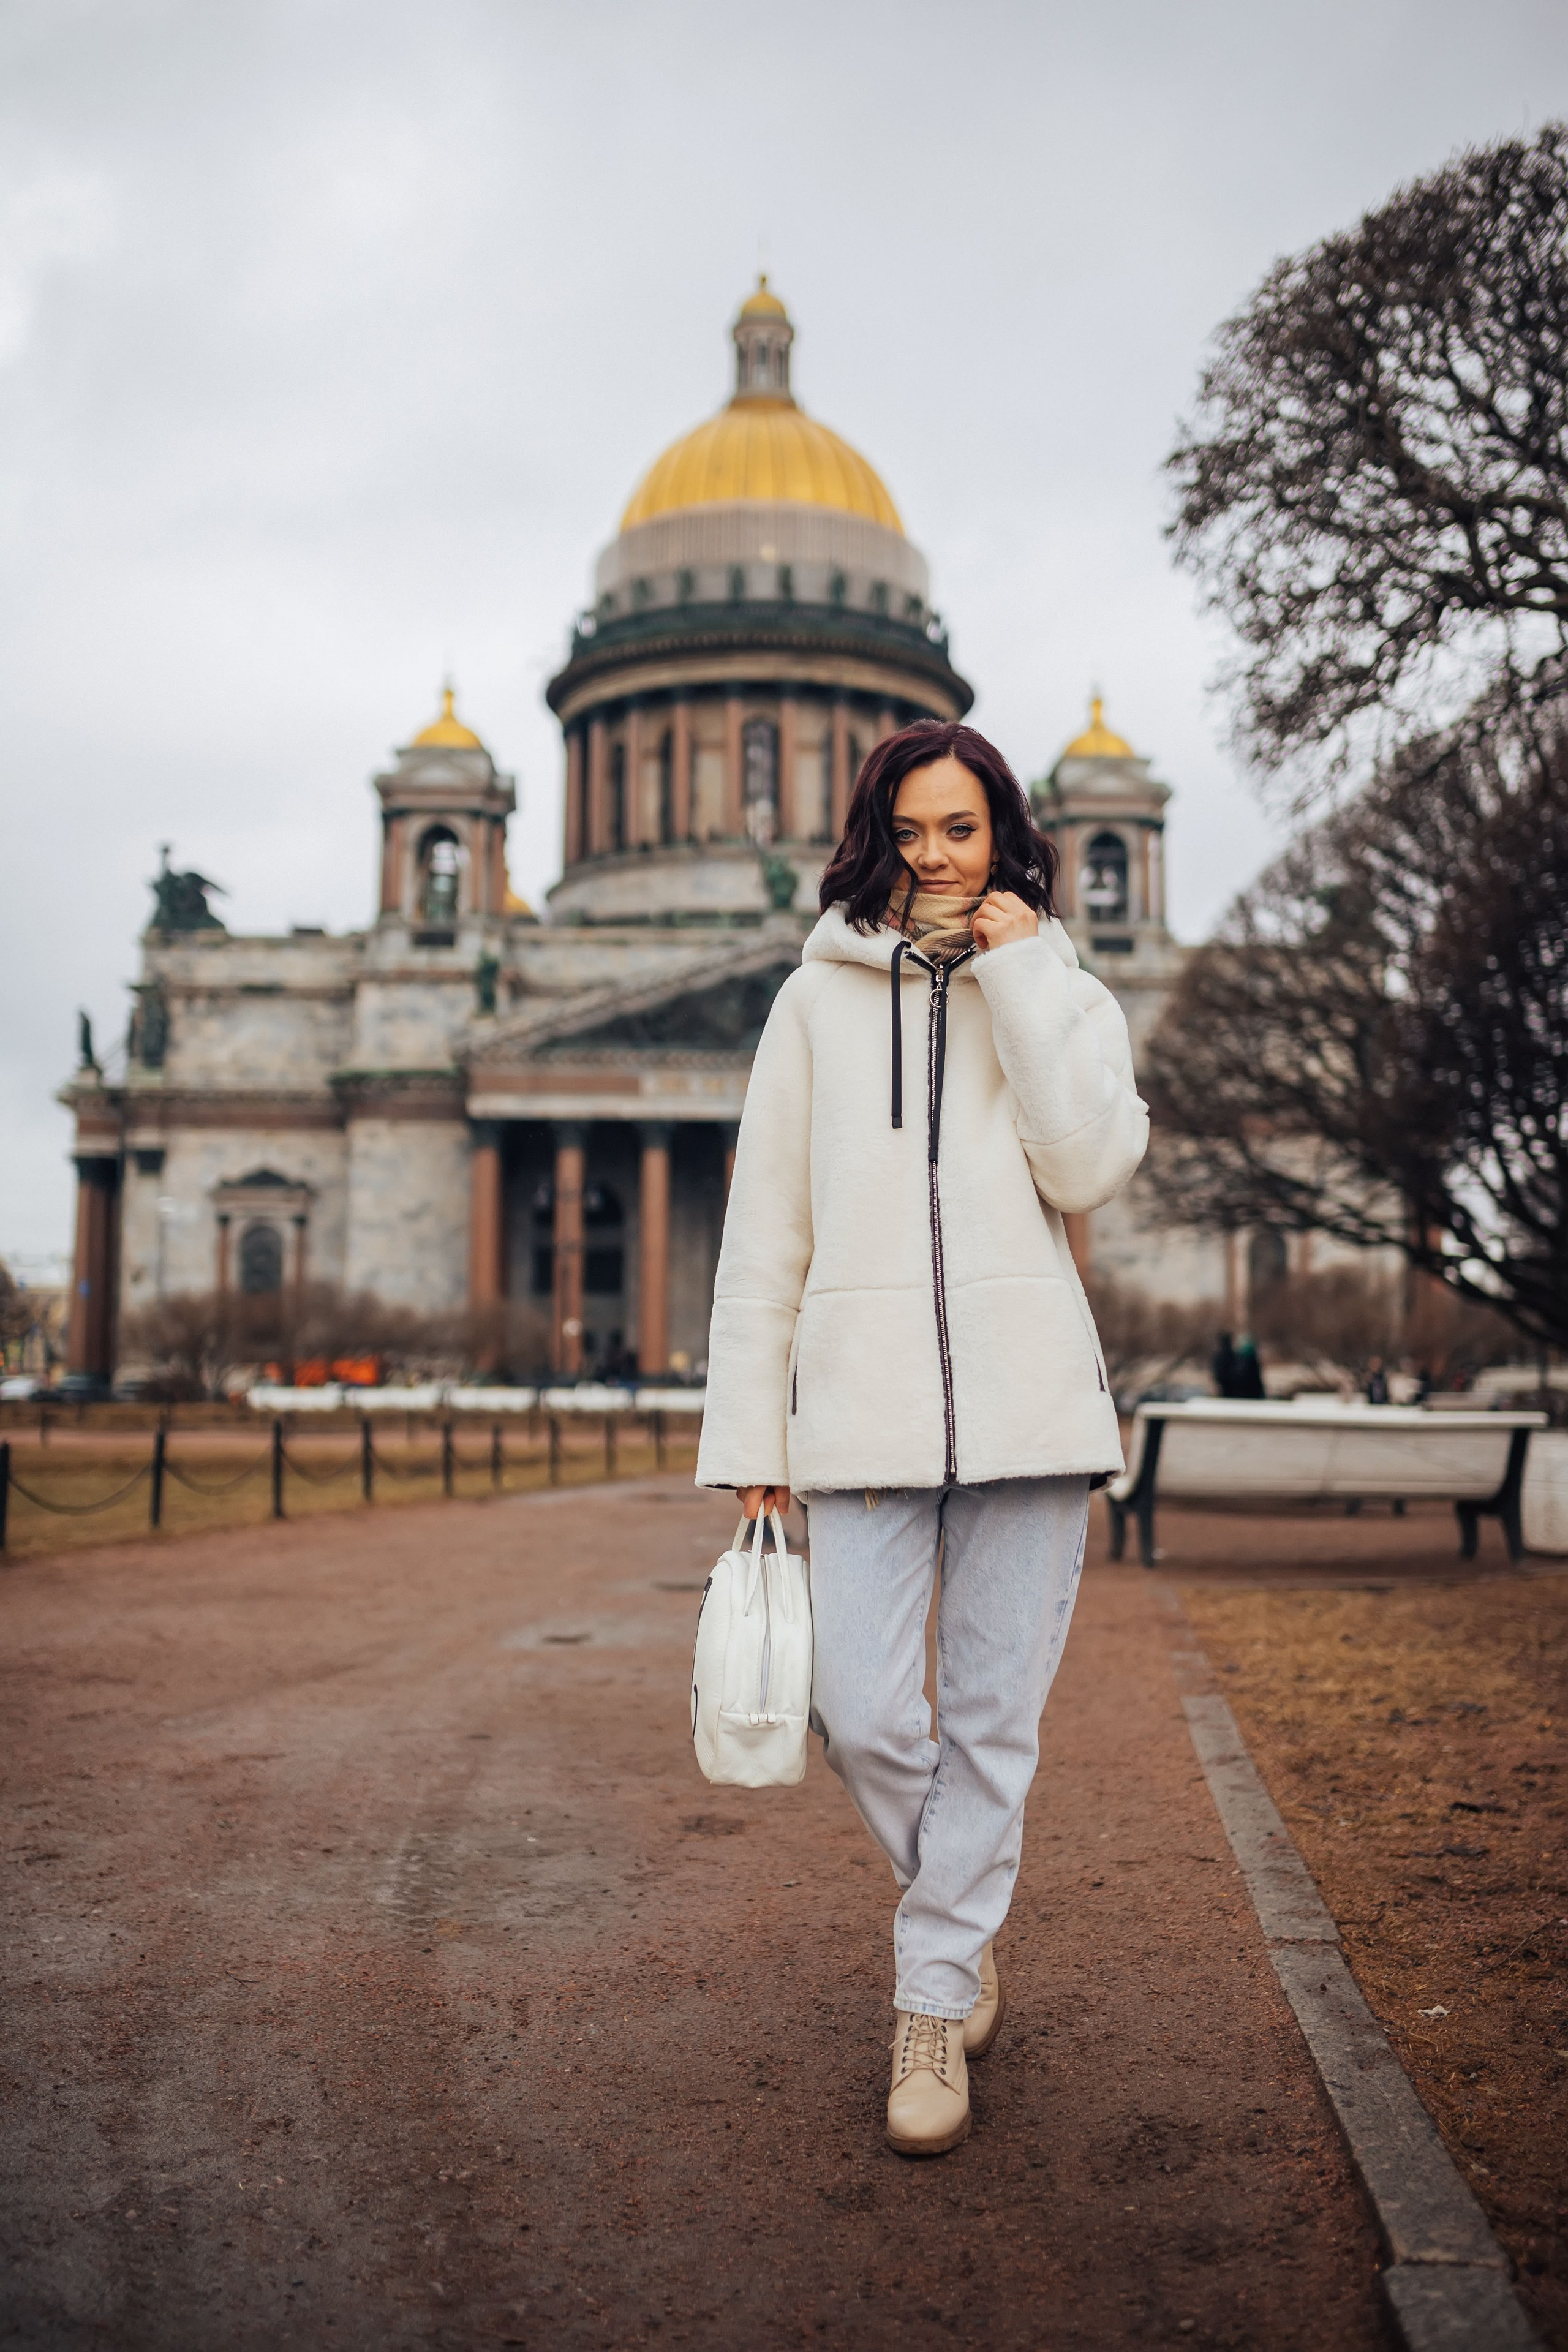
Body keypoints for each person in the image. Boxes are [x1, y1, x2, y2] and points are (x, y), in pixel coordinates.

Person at [696, 720, 1147, 2158]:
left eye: (960, 829)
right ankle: (959, 1914)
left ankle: (931, 1997)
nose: (936, 858)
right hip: (861, 1413)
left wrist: (1022, 979)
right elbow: (765, 1231)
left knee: (994, 1724)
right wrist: (752, 1432)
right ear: (871, 838)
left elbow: (1089, 1167)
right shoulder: (810, 1006)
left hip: (1029, 1408)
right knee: (863, 1708)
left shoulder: (1064, 990)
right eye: (908, 832)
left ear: (1003, 833)